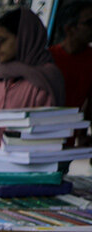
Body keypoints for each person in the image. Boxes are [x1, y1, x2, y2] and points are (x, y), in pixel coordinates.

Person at [0, 8, 64, 151]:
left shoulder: (44, 80)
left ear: (24, 37)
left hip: (16, 168)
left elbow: (42, 137)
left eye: (2, 41)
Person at [49, 0, 92, 146]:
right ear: (70, 29)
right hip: (42, 137)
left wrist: (83, 134)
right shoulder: (49, 58)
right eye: (89, 22)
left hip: (70, 140)